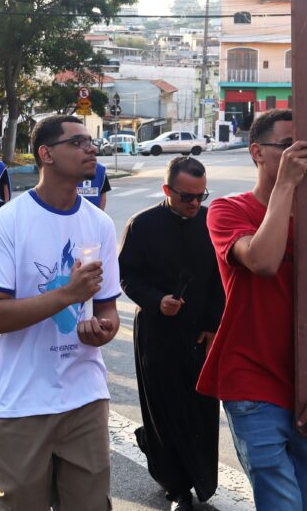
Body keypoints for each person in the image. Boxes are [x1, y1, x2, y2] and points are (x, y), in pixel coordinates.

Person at [196, 109, 307, 511]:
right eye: (287, 145)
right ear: (256, 153)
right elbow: (262, 261)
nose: (299, 154)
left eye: (305, 146)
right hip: (250, 379)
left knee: (305, 487)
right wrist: (286, 186)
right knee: (281, 501)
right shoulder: (228, 211)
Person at [0, 116, 120, 510]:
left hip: (85, 396)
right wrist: (67, 294)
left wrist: (103, 329)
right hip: (22, 400)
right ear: (46, 154)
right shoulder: (8, 222)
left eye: (92, 142)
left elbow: (107, 306)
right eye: (78, 142)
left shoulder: (101, 225)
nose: (91, 149)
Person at [119, 157, 223, 510]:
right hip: (157, 331)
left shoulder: (212, 221)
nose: (195, 204)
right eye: (186, 197)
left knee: (201, 409)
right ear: (167, 191)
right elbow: (128, 277)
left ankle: (202, 478)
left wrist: (213, 325)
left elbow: (221, 280)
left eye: (200, 195)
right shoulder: (142, 225)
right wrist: (156, 300)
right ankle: (177, 485)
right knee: (163, 408)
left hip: (201, 333)